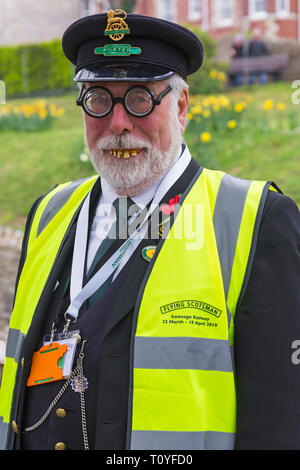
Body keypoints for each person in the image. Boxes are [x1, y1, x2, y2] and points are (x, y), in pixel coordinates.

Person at [1, 11, 300, 451]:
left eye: (140, 98)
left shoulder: (256, 219)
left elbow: (279, 420)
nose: (119, 123)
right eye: (99, 99)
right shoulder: (49, 211)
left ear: (180, 108)